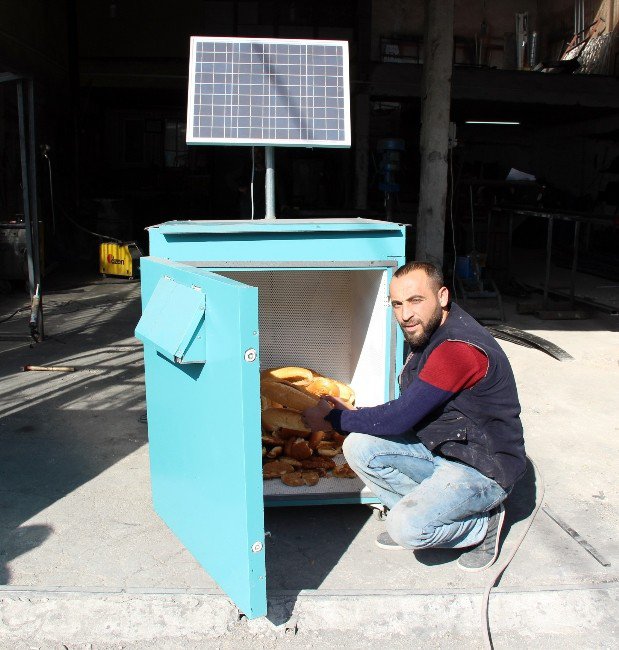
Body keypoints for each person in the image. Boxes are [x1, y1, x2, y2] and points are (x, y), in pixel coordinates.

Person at [303, 261, 526, 571]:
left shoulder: (457, 349)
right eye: (397, 304)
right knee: (359, 446)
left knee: (407, 530)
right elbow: (409, 406)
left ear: (443, 296)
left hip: (482, 467)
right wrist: (355, 415)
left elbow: (401, 417)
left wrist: (332, 421)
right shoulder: (431, 332)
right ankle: (425, 514)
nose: (405, 314)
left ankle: (481, 523)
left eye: (415, 300)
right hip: (446, 447)